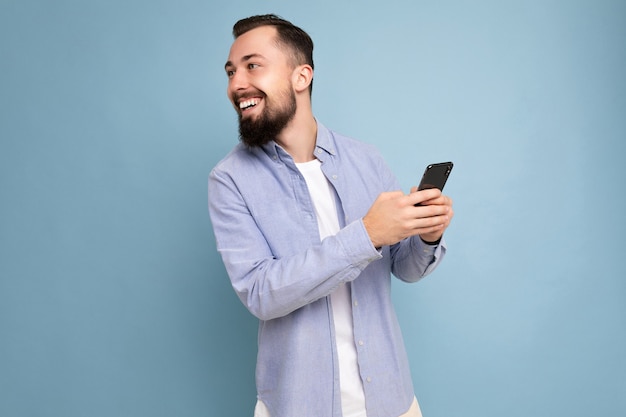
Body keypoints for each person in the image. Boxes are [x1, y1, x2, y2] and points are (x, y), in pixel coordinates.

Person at [208, 14, 454, 417]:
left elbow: (405, 269)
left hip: (392, 401)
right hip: (299, 405)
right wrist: (368, 233)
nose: (237, 84)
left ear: (301, 76)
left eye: (253, 66)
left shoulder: (366, 160)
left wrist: (426, 235)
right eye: (231, 71)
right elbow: (260, 292)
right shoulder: (230, 180)